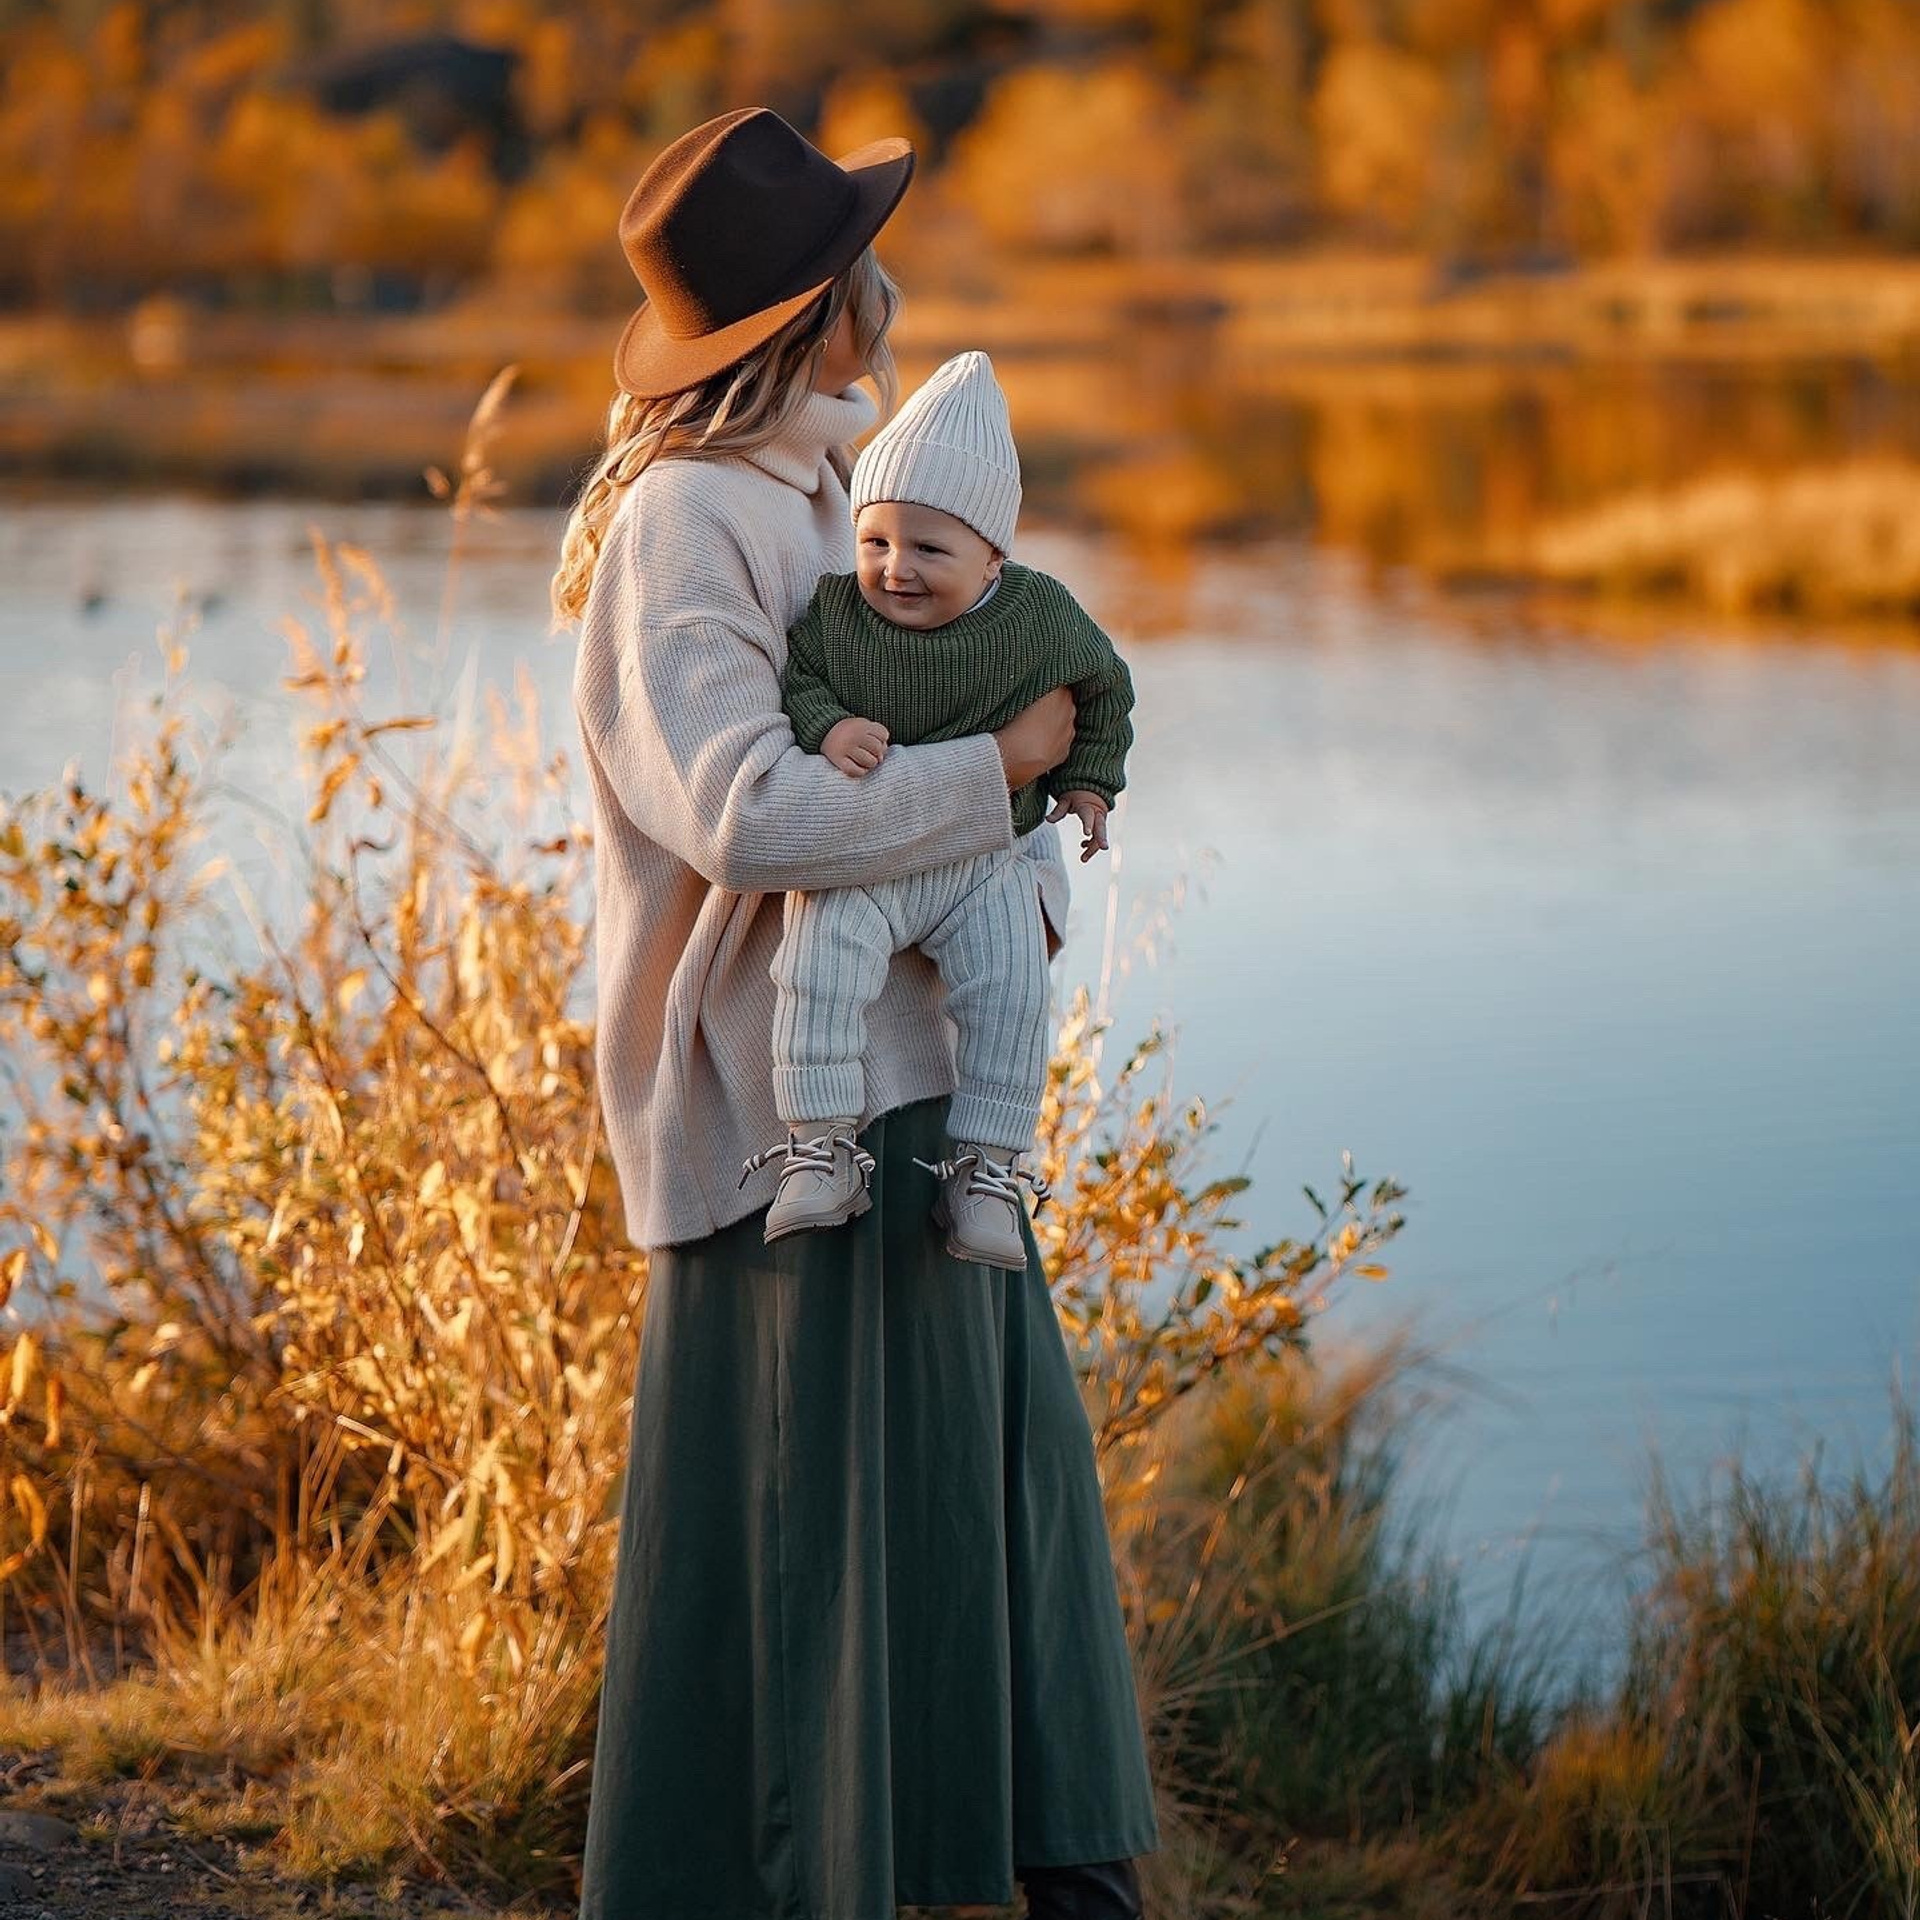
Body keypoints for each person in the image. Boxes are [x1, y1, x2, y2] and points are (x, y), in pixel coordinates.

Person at [553, 106, 1160, 1920]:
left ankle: (1017, 1878)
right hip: (781, 1117)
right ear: (811, 306)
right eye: (854, 252)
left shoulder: (839, 496)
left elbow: (938, 735)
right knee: (803, 1564)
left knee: (989, 1520)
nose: (883, 277)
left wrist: (1028, 841)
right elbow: (744, 805)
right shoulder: (679, 525)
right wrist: (1002, 771)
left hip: (925, 1086)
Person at [743, 348, 1135, 1272]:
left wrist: (1089, 780)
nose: (896, 569)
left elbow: (1105, 683)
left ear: (993, 555)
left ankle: (989, 1171)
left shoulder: (1038, 617)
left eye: (929, 548)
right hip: (869, 855)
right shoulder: (839, 615)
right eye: (876, 541)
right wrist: (828, 724)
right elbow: (800, 679)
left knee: (1010, 990)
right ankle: (821, 1147)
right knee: (817, 963)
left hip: (987, 858)